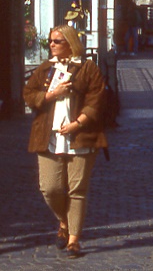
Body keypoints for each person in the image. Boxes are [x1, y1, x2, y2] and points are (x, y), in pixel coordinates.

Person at [23, 26, 109, 259]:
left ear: (70, 43)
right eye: (50, 41)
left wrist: (78, 123)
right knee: (49, 188)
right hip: (49, 137)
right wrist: (50, 95)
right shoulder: (46, 68)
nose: (51, 44)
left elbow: (96, 100)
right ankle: (64, 220)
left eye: (57, 41)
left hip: (80, 136)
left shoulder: (88, 68)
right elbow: (29, 94)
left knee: (77, 190)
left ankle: (73, 240)